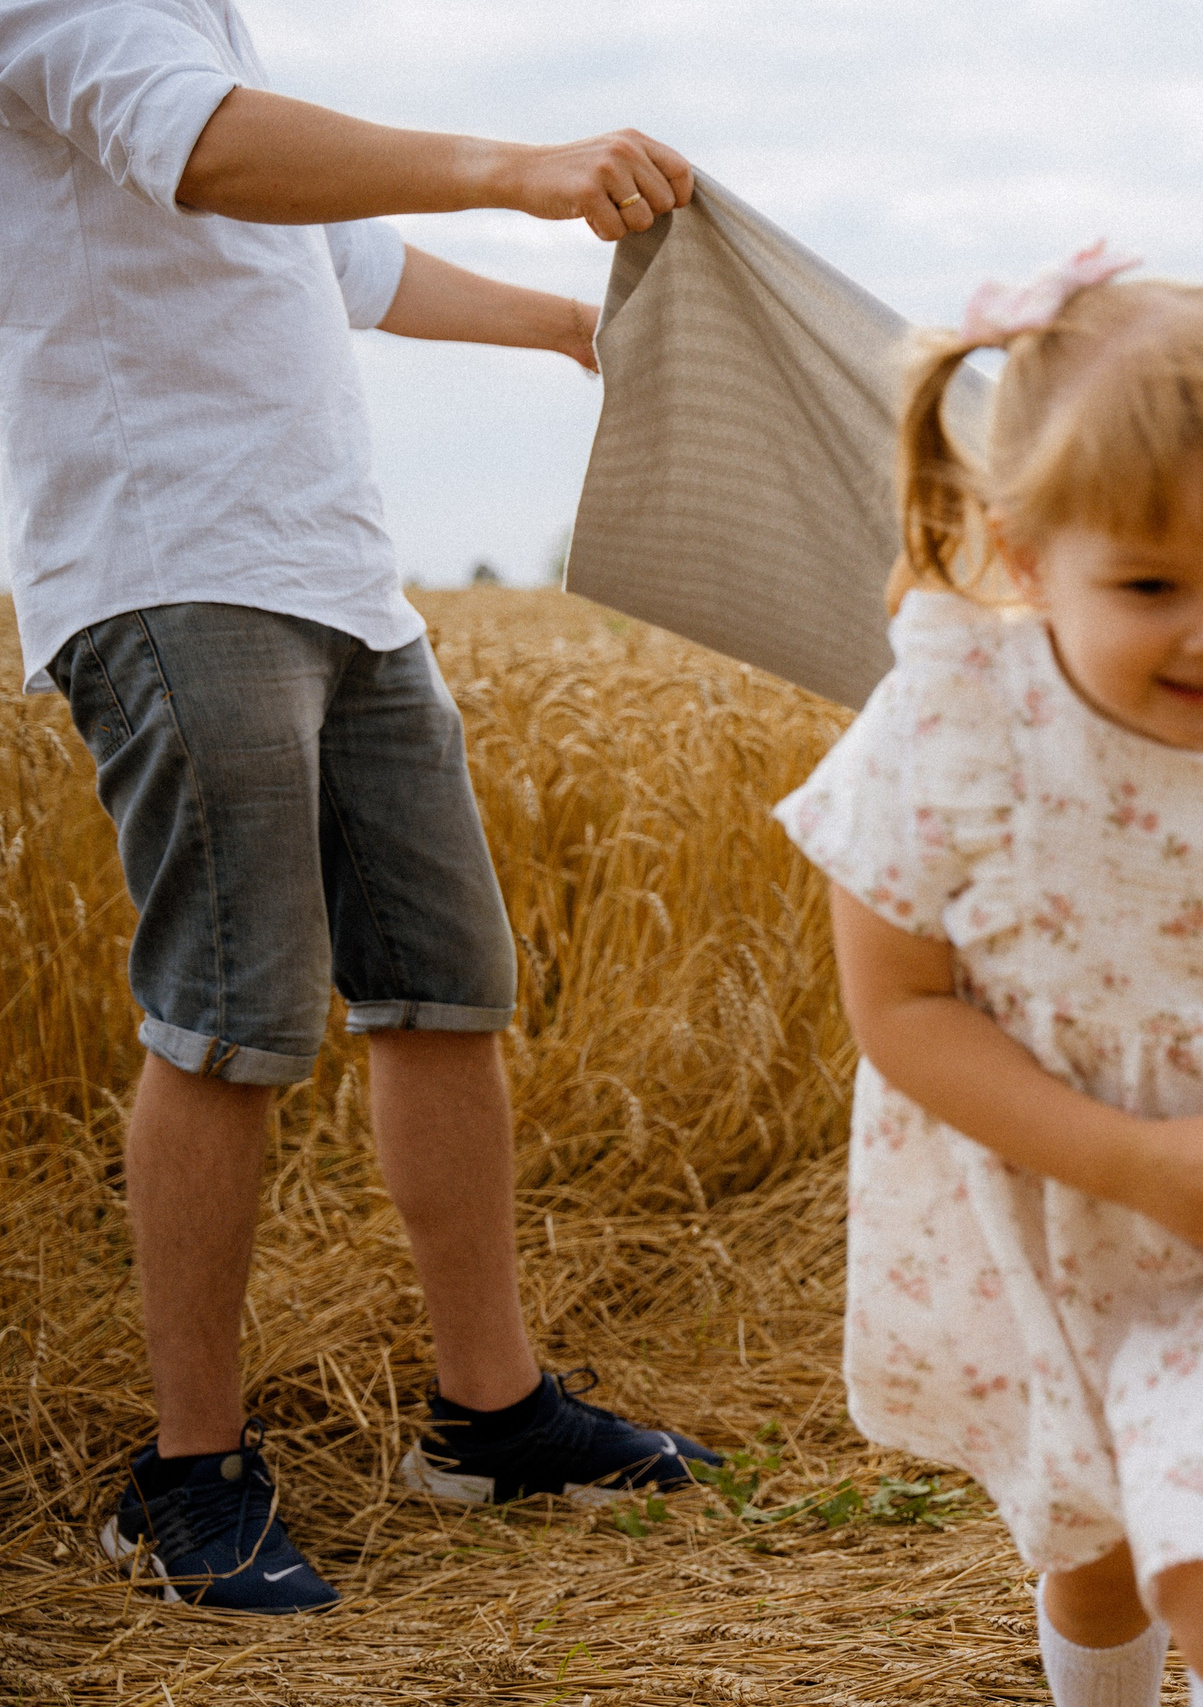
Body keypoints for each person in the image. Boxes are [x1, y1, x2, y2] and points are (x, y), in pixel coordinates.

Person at [0, 0, 717, 1614]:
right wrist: (515, 166)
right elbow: (211, 154)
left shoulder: (205, 24)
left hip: (343, 581)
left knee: (445, 986)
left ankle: (490, 1415)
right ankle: (187, 1478)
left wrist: (559, 325)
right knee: (233, 1020)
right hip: (176, 568)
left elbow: (338, 264)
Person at [774, 246, 1203, 1707]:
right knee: (1091, 1539)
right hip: (1046, 1199)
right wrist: (1129, 1156)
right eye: (1152, 584)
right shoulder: (956, 729)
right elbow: (897, 1007)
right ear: (1028, 557)